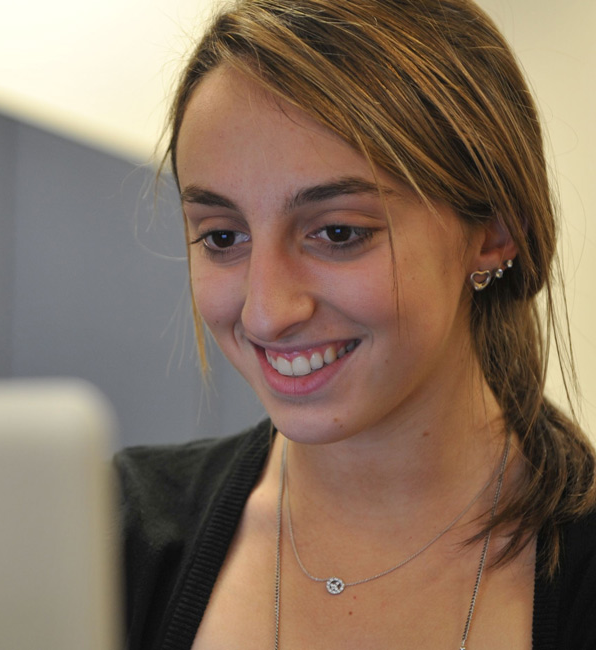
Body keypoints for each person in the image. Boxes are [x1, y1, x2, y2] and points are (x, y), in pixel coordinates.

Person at [115, 1, 596, 648]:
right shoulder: (113, 535)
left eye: (338, 233)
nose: (265, 311)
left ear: (495, 230)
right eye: (223, 236)